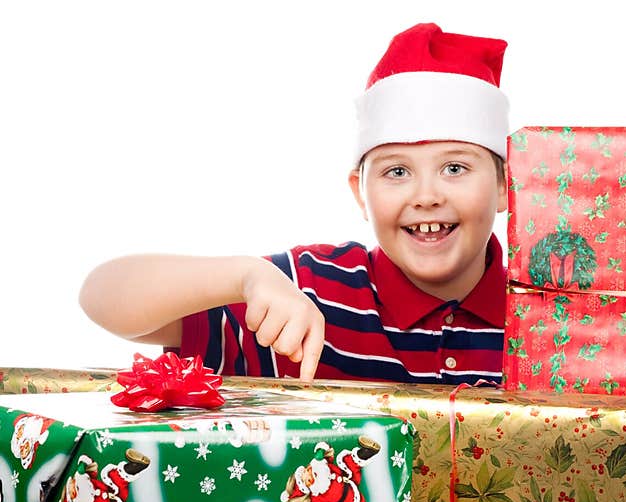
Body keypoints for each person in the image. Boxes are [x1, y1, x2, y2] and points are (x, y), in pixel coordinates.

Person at [79, 22, 510, 384]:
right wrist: (247, 277)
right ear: (361, 193)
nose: (427, 197)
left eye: (454, 168)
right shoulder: (306, 290)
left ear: (506, 186)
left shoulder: (550, 319)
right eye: (397, 172)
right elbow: (102, 297)